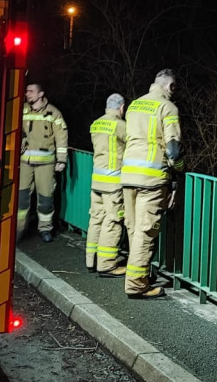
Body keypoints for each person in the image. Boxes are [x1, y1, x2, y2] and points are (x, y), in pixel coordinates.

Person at [119, 69, 183, 299]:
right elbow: (173, 149)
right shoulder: (168, 108)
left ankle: (141, 276)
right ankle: (137, 285)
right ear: (171, 87)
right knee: (145, 233)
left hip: (128, 176)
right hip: (152, 178)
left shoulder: (135, 105)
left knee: (134, 230)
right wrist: (180, 166)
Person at [18, 80, 68, 243]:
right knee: (21, 197)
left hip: (46, 164)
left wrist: (61, 160)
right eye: (26, 91)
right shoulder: (22, 110)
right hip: (24, 162)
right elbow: (13, 130)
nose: (27, 94)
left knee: (45, 199)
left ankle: (45, 229)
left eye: (30, 91)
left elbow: (61, 137)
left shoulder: (54, 113)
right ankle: (18, 230)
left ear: (40, 94)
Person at [87, 93, 128, 276]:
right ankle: (106, 264)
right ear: (121, 107)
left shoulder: (96, 123)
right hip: (113, 183)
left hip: (96, 180)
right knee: (113, 221)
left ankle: (91, 260)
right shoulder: (120, 125)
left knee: (96, 219)